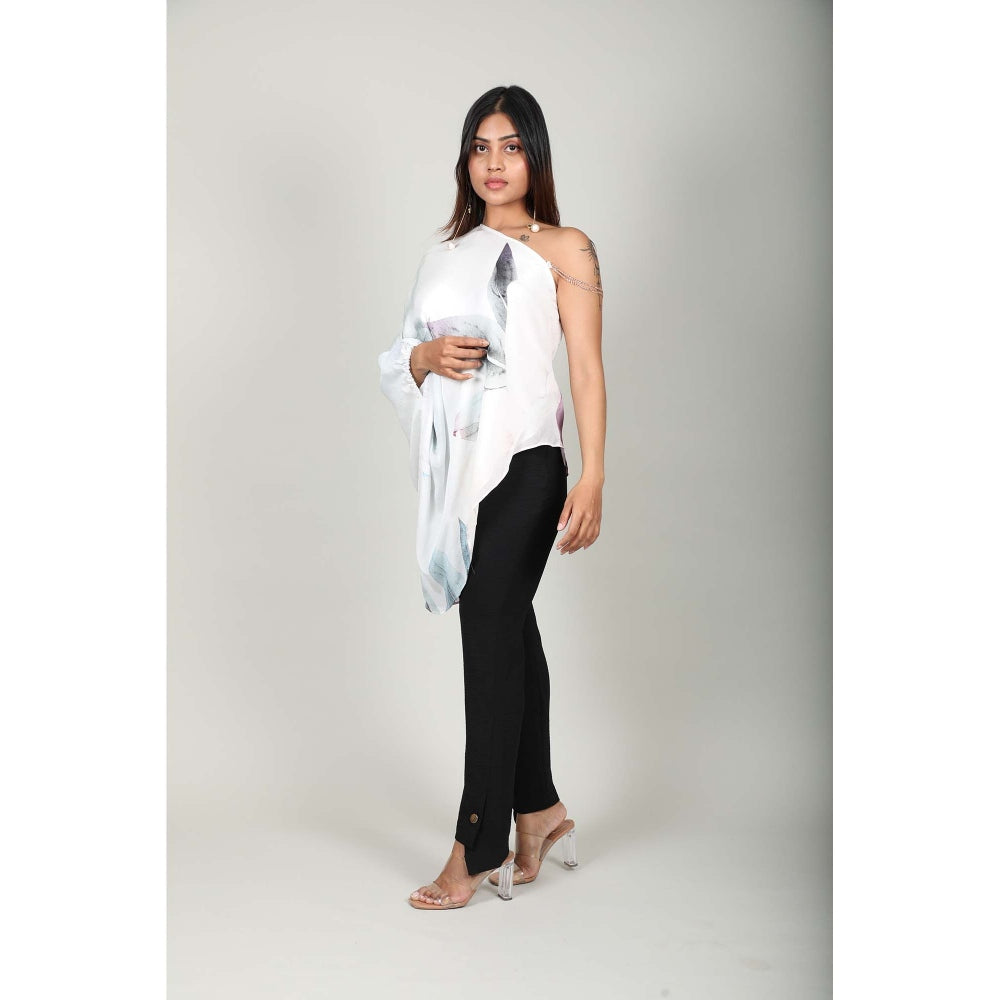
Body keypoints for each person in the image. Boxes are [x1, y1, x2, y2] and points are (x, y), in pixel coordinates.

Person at [377, 85, 606, 910]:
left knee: (487, 631)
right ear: (465, 161)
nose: (495, 163)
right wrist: (424, 359)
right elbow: (404, 356)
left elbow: (585, 370)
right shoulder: (445, 252)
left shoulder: (565, 248)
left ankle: (475, 842)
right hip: (462, 474)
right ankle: (539, 808)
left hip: (529, 464)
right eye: (481, 147)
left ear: (534, 156)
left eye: (510, 146)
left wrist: (593, 474)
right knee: (509, 628)